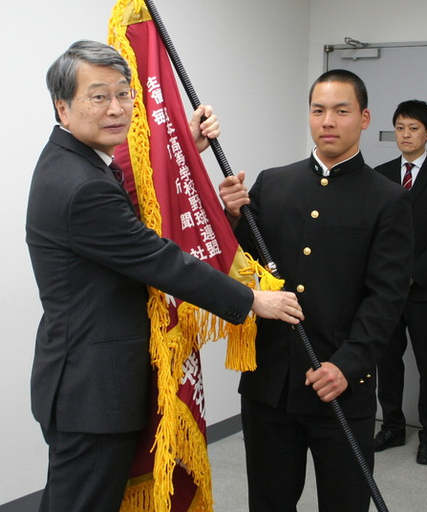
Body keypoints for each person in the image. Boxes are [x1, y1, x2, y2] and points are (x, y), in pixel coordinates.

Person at [26, 40, 303, 512]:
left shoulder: (76, 163)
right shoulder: (80, 187)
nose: (116, 109)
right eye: (98, 96)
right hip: (92, 388)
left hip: (84, 379)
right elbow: (159, 258)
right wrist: (250, 299)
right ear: (63, 106)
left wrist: (183, 148)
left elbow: (133, 182)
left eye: (124, 94)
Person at [218, 69, 414, 512]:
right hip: (270, 384)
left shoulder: (387, 199)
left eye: (341, 111)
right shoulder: (273, 183)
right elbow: (241, 270)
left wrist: (347, 364)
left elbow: (387, 297)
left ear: (363, 119)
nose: (328, 120)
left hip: (340, 383)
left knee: (344, 503)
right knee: (268, 502)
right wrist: (229, 219)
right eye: (318, 110)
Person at [373, 100, 427, 465]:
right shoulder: (378, 174)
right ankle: (393, 426)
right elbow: (372, 232)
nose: (405, 135)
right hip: (384, 291)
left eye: (413, 128)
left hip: (425, 290)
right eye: (400, 128)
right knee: (387, 361)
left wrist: (410, 275)